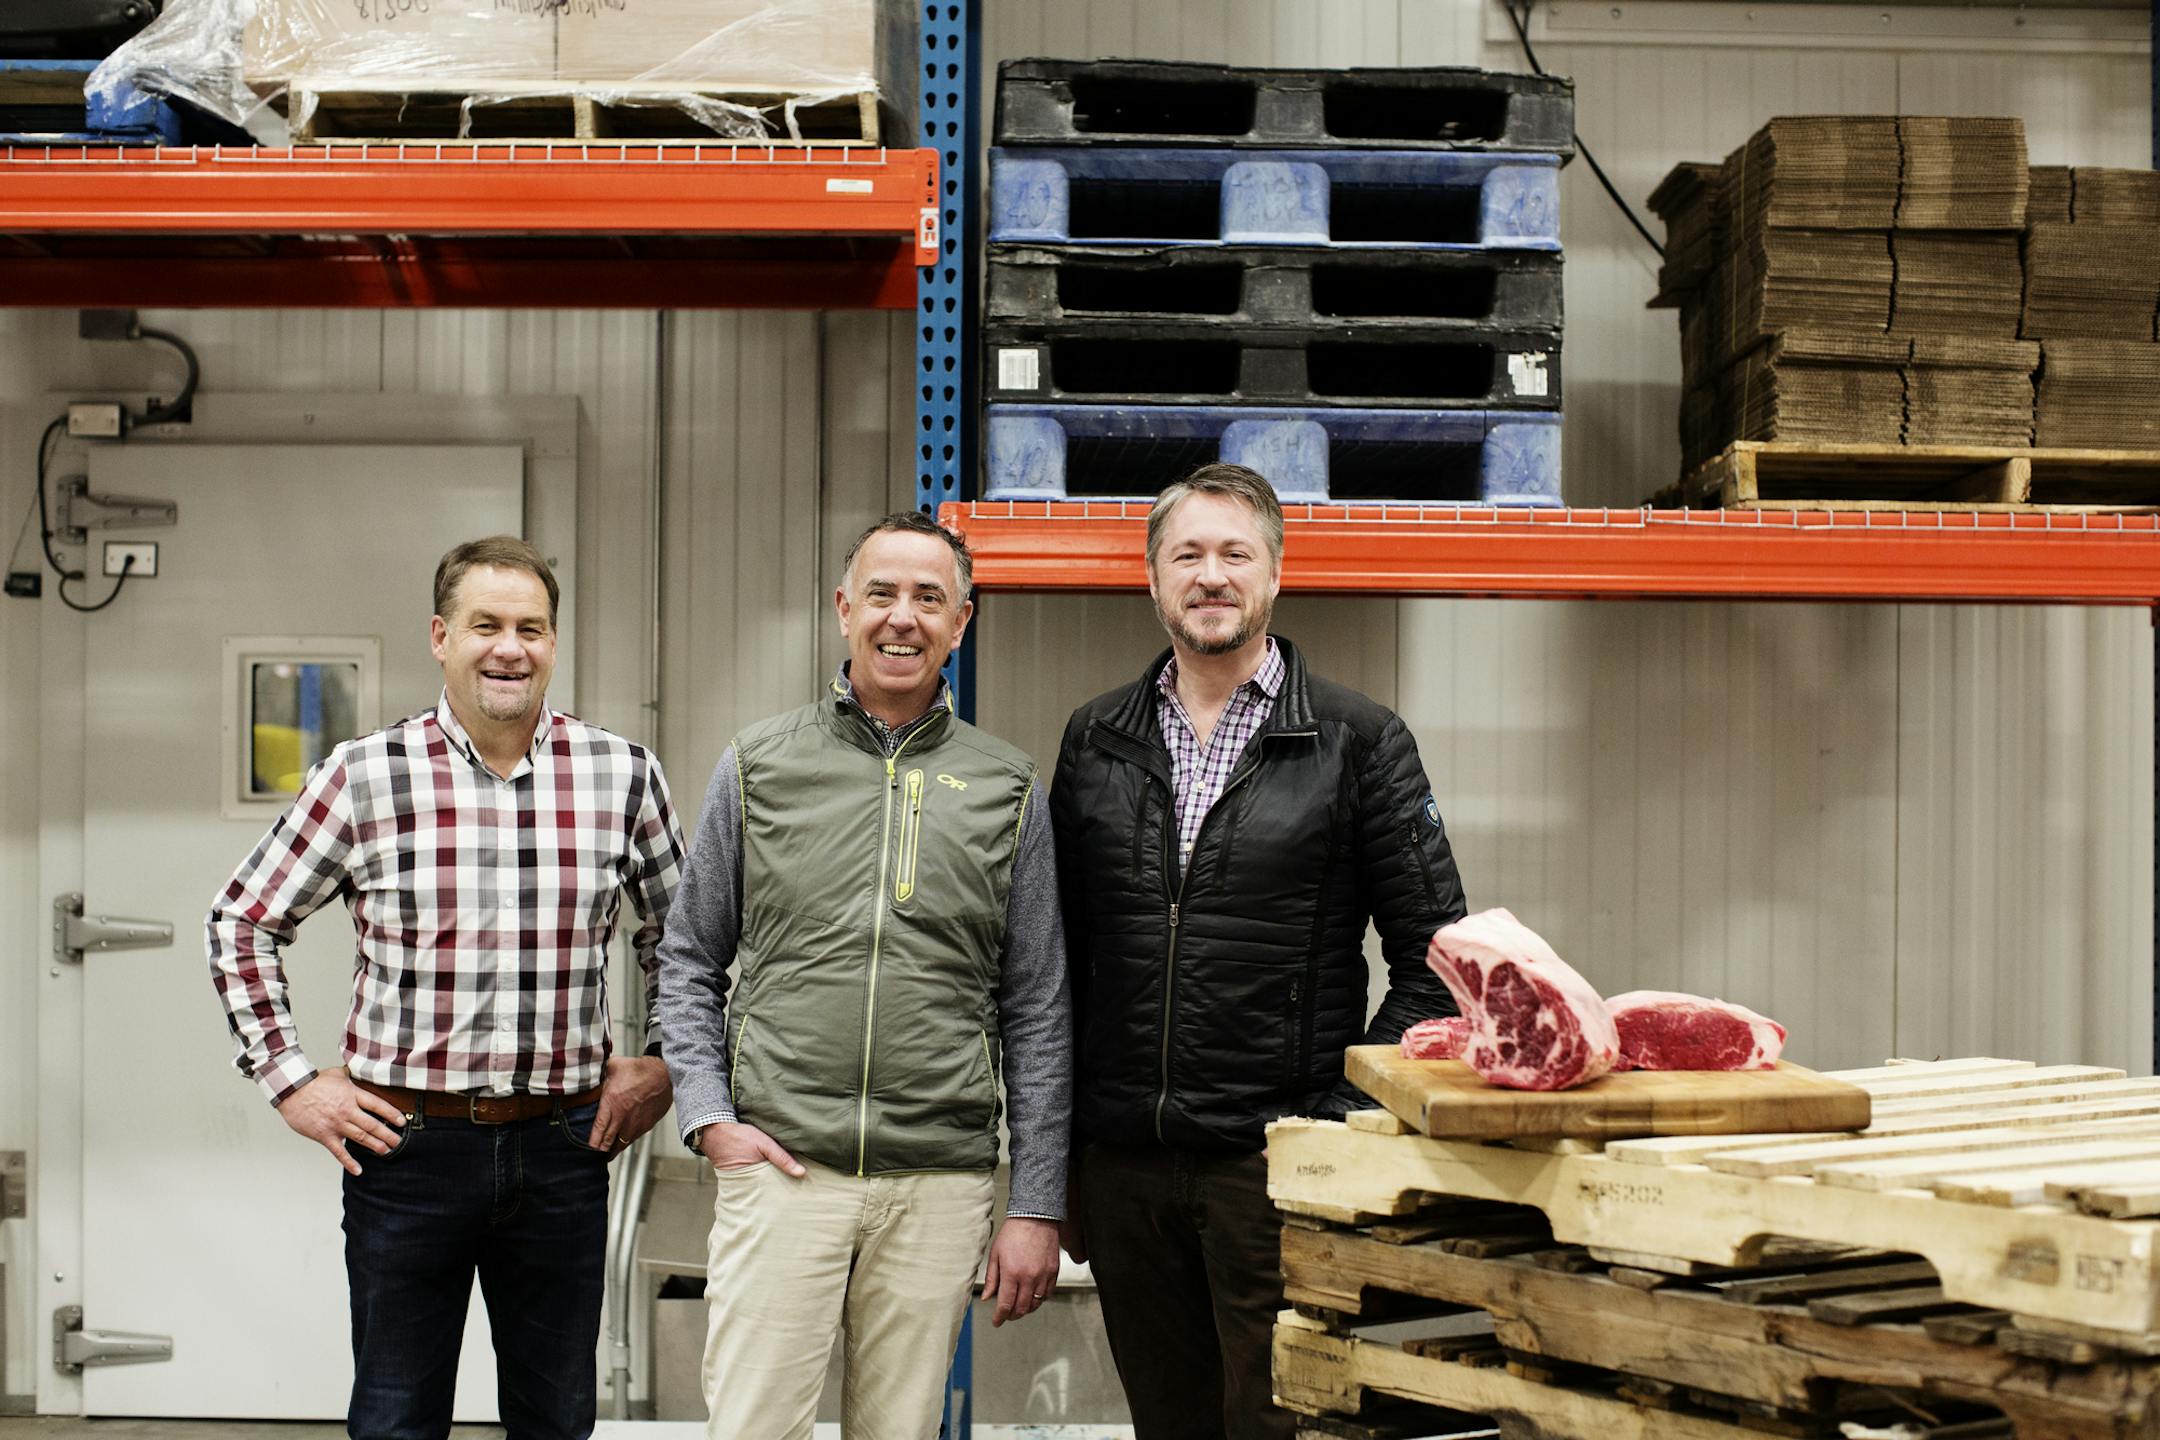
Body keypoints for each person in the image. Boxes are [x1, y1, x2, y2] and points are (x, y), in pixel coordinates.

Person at [206, 535, 684, 1440]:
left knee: (556, 1419)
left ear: (554, 642)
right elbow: (240, 921)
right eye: (486, 626)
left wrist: (664, 1062)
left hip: (563, 1150)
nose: (511, 648)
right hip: (406, 1152)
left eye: (532, 629)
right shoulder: (363, 776)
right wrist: (293, 1082)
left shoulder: (622, 774)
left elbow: (685, 941)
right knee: (395, 1419)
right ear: (440, 636)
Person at [1050, 463, 1467, 1440]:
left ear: (1274, 577)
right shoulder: (1095, 740)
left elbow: (1437, 962)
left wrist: (1337, 1123)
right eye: (1186, 554)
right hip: (1126, 1174)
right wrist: (1060, 1163)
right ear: (1152, 581)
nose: (1210, 575)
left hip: (1272, 1171)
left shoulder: (1359, 741)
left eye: (1235, 553)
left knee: (1280, 1429)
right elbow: (1057, 964)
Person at [657, 510, 1070, 1440]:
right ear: (844, 610)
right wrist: (709, 1116)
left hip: (939, 1181)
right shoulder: (761, 765)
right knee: (755, 1430)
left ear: (962, 622)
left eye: (931, 598)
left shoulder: (1007, 787)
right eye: (881, 594)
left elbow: (1037, 1008)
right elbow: (687, 958)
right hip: (782, 1165)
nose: (903, 618)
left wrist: (1035, 1199)